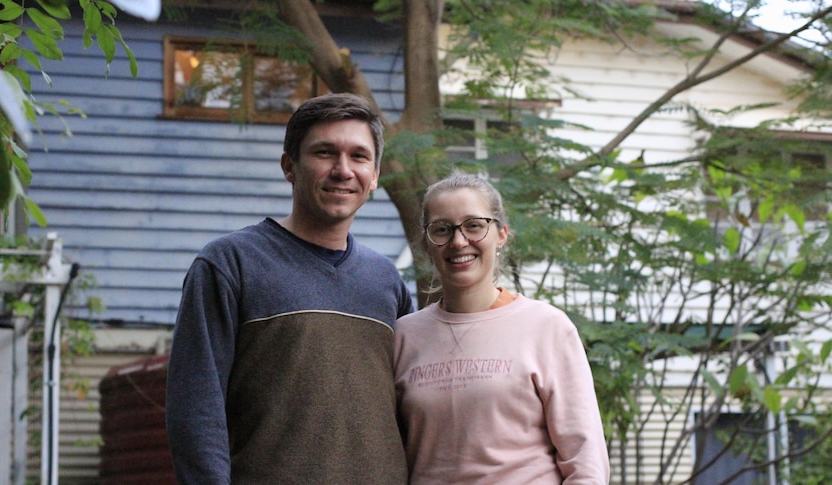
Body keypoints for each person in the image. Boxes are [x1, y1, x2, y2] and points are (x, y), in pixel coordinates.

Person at [166, 93, 413, 484]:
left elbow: (413, 409)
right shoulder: (230, 264)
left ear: (375, 175)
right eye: (325, 152)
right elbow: (195, 409)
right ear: (289, 166)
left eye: (359, 156)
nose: (343, 170)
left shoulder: (386, 281)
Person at [394, 172, 610, 484]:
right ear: (428, 243)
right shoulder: (403, 337)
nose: (458, 241)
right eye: (442, 229)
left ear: (502, 234)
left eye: (474, 225)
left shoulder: (546, 327)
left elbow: (585, 459)